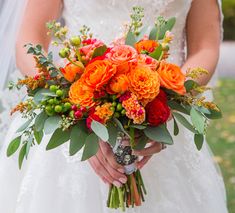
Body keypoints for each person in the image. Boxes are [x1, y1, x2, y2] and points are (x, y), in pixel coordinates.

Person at [0, 0, 228, 212]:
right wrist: (76, 114)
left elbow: (205, 47)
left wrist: (165, 104)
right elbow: (29, 41)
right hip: (71, 122)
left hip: (164, 124)